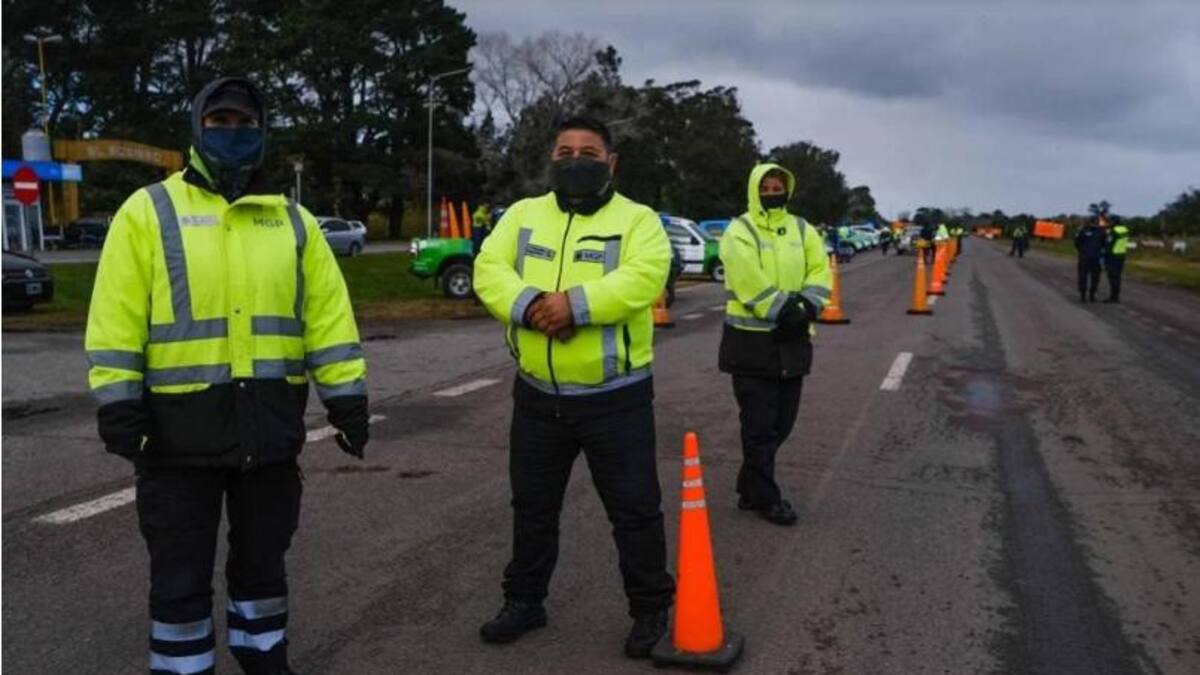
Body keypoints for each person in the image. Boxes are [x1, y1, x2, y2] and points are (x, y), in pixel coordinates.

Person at [85, 77, 369, 675]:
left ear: (261, 131)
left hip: (266, 433)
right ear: (196, 128)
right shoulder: (148, 212)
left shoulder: (293, 223)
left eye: (244, 123)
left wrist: (347, 400)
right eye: (219, 122)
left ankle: (265, 659)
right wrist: (118, 405)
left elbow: (328, 320)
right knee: (180, 575)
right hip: (173, 439)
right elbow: (115, 317)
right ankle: (183, 668)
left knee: (263, 566)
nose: (232, 133)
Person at [472, 116, 675, 658]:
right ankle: (525, 601)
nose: (575, 159)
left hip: (617, 401)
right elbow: (490, 268)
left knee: (635, 510)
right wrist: (534, 306)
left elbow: (644, 276)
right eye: (564, 151)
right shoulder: (522, 215)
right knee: (532, 508)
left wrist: (574, 307)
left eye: (588, 151)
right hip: (537, 398)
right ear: (551, 160)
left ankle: (651, 609)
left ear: (610, 163)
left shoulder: (639, 220)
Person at [718, 163, 832, 526]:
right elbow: (746, 278)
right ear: (755, 190)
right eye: (765, 187)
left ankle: (749, 484)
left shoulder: (803, 229)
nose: (771, 191)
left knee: (783, 424)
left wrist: (809, 306)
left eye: (777, 186)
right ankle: (766, 498)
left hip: (794, 342)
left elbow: (820, 268)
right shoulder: (740, 230)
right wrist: (784, 310)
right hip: (750, 344)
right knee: (759, 427)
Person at [1074, 217, 1107, 302]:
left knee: (1084, 276)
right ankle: (1090, 296)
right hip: (1095, 257)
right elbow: (1104, 244)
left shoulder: (1081, 230)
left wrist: (1082, 251)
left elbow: (1077, 243)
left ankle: (1084, 296)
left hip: (1086, 257)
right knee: (1094, 277)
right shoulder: (1101, 231)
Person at [1104, 216, 1130, 302]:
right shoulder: (1125, 230)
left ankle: (1113, 297)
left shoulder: (1113, 231)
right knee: (1118, 277)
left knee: (1112, 277)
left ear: (1114, 222)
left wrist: (1104, 255)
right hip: (1121, 255)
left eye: (1110, 221)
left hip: (1113, 256)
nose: (1109, 223)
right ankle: (1116, 295)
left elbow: (1108, 243)